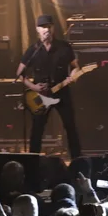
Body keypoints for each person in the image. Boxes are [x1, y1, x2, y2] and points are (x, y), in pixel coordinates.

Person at [16, 15, 82, 159]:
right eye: (43, 27)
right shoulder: (33, 50)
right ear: (37, 30)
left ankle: (77, 161)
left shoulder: (64, 47)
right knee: (37, 130)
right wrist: (34, 87)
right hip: (42, 95)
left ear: (53, 28)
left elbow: (76, 67)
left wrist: (73, 76)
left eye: (49, 26)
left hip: (62, 91)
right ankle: (33, 161)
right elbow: (19, 73)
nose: (46, 29)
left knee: (70, 126)